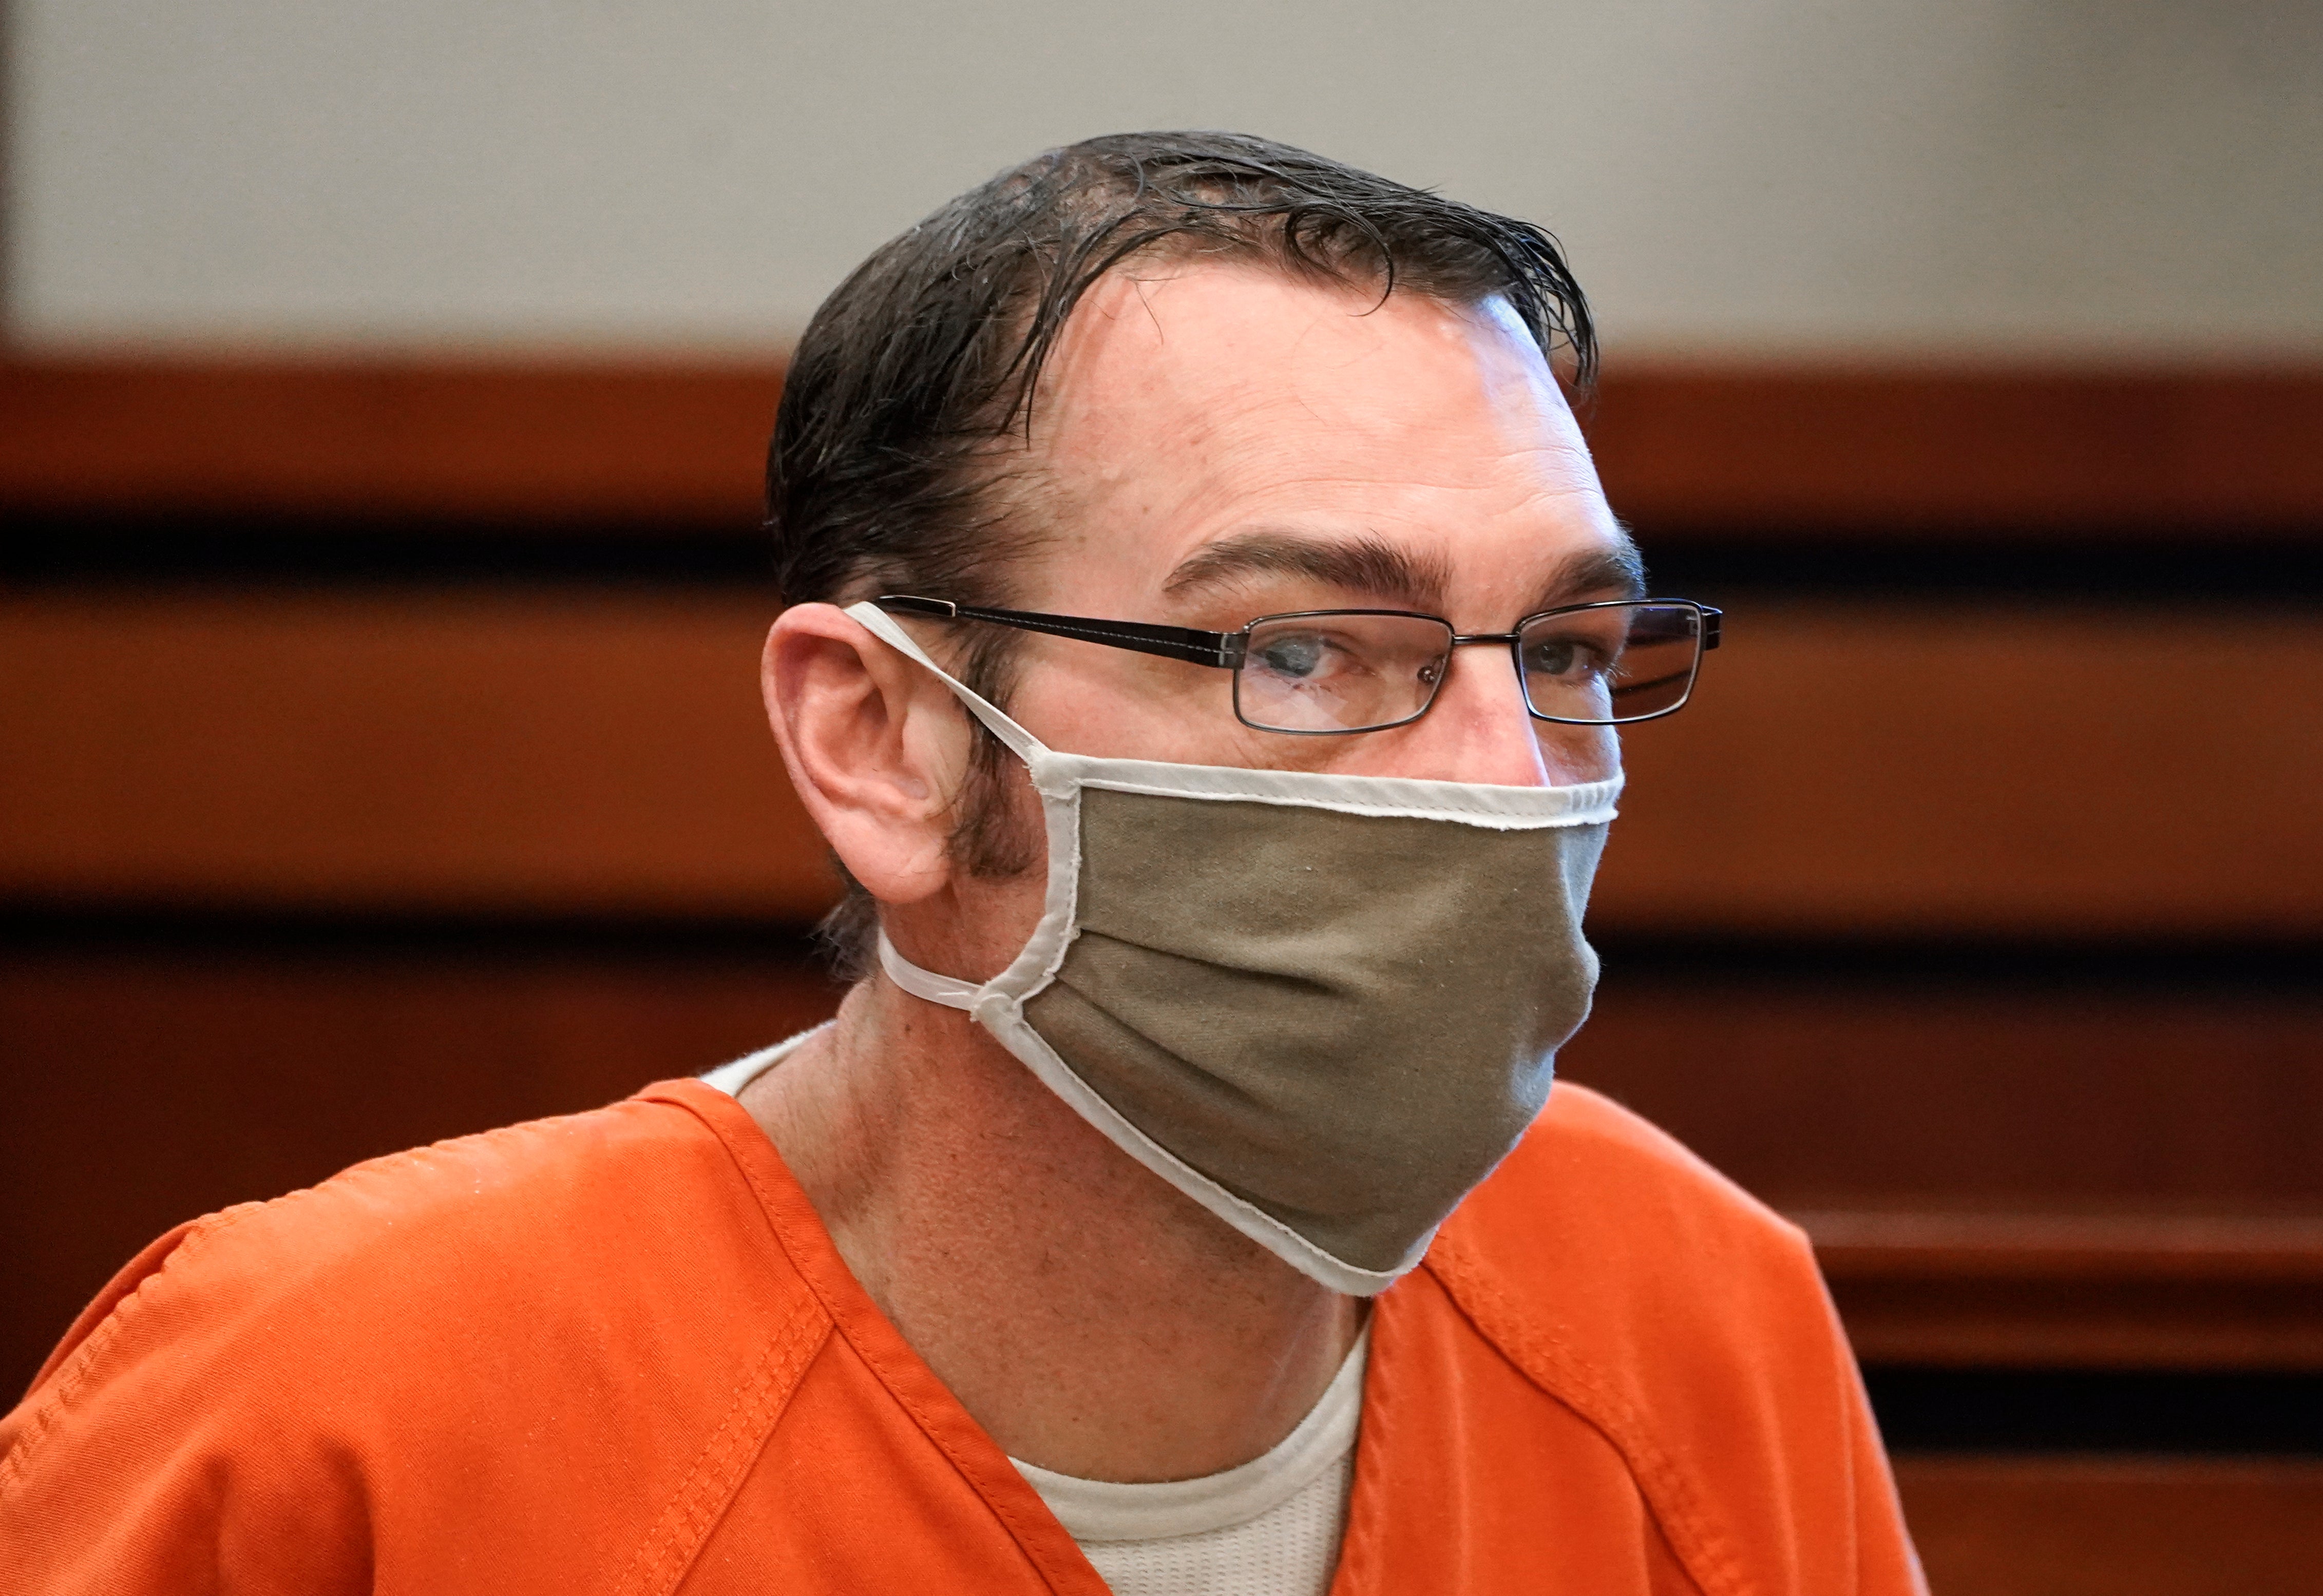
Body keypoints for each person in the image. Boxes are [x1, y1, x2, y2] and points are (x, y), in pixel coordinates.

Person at [0, 132, 1920, 1594]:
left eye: (1568, 655)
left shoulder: (1687, 1315)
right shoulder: (336, 1413)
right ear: (883, 744)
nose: (1507, 779)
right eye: (1304, 652)